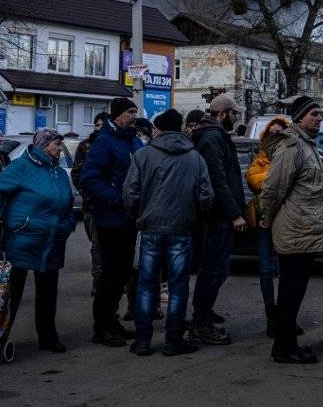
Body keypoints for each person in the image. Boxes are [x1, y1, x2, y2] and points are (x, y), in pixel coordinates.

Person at [123, 109, 214, 356]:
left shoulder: (143, 155)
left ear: (159, 129)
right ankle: (173, 340)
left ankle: (143, 340)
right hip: (183, 228)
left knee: (146, 284)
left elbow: (130, 193)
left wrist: (138, 216)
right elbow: (206, 196)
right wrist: (196, 216)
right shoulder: (194, 157)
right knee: (178, 285)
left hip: (150, 227)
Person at [0, 128, 75, 353]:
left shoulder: (60, 173)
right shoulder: (22, 166)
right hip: (23, 238)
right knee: (11, 292)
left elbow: (68, 204)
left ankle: (48, 337)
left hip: (52, 241)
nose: (60, 148)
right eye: (56, 144)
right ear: (44, 145)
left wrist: (67, 224)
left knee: (48, 292)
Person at [260, 96, 323, 364]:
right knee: (291, 291)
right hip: (294, 229)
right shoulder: (292, 147)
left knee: (295, 290)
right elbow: (274, 187)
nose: (319, 118)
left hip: (303, 229)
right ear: (300, 116)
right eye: (314, 114)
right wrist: (266, 217)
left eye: (320, 115)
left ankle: (287, 341)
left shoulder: (305, 144)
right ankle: (284, 347)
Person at [79, 97, 144, 347]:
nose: (133, 116)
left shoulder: (133, 139)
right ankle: (102, 325)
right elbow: (90, 179)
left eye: (135, 112)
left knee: (123, 272)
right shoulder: (105, 142)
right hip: (111, 219)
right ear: (117, 116)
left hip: (129, 219)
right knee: (111, 273)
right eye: (129, 112)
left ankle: (112, 320)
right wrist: (118, 198)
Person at [189, 94, 247, 345]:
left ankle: (203, 314)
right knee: (213, 269)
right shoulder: (213, 137)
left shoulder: (214, 135)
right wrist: (234, 213)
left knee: (216, 269)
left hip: (218, 213)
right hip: (217, 215)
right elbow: (218, 179)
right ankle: (201, 323)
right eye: (234, 113)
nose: (236, 118)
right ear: (222, 113)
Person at [246, 116, 290, 337]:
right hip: (263, 220)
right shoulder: (261, 158)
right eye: (271, 133)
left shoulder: (291, 157)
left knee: (286, 269)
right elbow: (253, 180)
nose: (275, 136)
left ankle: (285, 315)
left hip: (286, 220)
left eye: (279, 133)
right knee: (266, 269)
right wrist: (275, 176)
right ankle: (270, 314)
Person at [71, 111, 109, 296]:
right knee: (96, 245)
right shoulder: (85, 146)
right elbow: (77, 174)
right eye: (96, 125)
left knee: (104, 246)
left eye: (102, 124)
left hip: (111, 205)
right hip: (92, 206)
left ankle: (104, 281)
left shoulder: (113, 145)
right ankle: (99, 280)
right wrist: (88, 195)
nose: (99, 128)